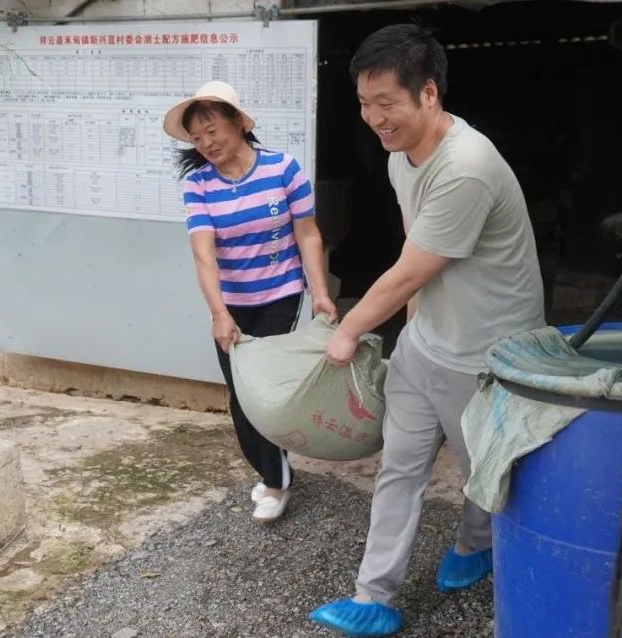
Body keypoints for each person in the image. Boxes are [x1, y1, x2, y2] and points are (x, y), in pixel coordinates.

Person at [309, 25, 546, 635]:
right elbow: (417, 250)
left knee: (483, 473)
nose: (373, 117)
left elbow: (412, 266)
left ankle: (477, 545)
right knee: (400, 468)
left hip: (488, 353)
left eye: (386, 102)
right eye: (364, 103)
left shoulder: (466, 166)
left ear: (429, 93)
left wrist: (349, 330)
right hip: (427, 342)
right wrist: (410, 329)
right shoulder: (399, 158)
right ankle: (374, 597)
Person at [163, 81, 337, 523]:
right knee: (240, 395)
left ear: (239, 122)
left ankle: (277, 483)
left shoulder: (283, 168)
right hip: (232, 304)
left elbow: (308, 234)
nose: (205, 144)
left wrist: (319, 293)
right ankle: (270, 470)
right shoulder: (198, 185)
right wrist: (218, 314)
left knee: (266, 391)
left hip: (280, 293)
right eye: (196, 138)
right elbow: (203, 254)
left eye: (211, 130)